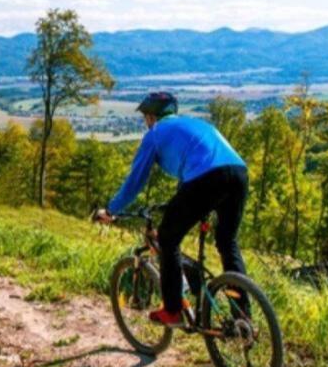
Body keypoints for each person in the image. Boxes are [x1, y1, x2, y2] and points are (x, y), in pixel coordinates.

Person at [93, 92, 248, 327]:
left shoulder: (154, 134)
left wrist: (112, 209)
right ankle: (243, 318)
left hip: (205, 178)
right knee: (227, 242)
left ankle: (172, 310)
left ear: (151, 116)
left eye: (145, 117)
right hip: (238, 173)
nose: (146, 122)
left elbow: (135, 181)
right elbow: (192, 176)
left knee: (167, 238)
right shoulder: (195, 124)